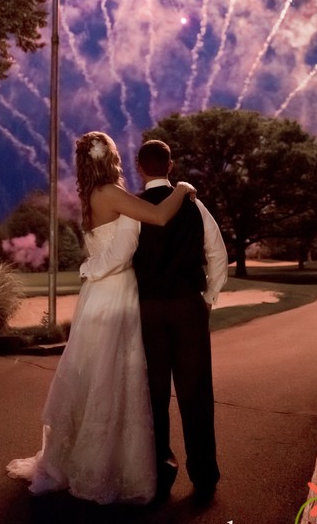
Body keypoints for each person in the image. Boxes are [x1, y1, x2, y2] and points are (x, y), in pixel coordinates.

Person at [6, 131, 196, 505]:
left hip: (101, 296)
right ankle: (100, 467)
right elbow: (157, 216)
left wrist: (90, 270)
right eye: (115, 153)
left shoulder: (92, 195)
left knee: (98, 376)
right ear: (110, 158)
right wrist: (183, 188)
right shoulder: (109, 193)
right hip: (114, 293)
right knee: (112, 377)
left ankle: (85, 459)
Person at [132, 139, 228, 504]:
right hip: (188, 307)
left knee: (153, 397)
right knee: (197, 394)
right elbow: (217, 254)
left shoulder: (133, 208)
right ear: (170, 166)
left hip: (149, 311)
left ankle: (161, 475)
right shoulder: (193, 205)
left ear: (140, 167)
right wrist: (208, 298)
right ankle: (204, 476)